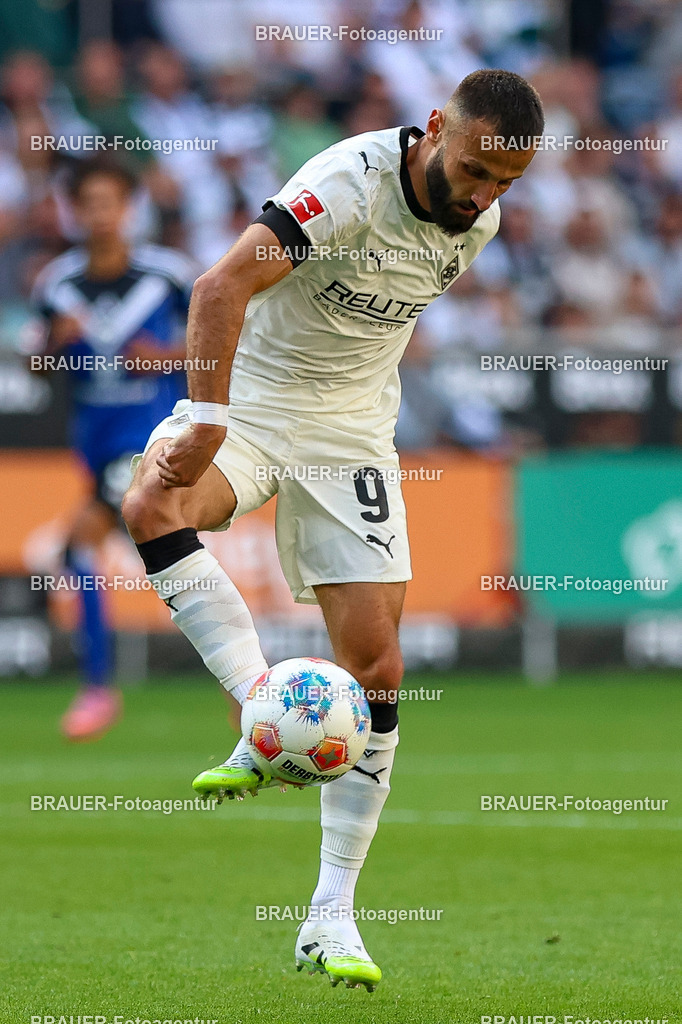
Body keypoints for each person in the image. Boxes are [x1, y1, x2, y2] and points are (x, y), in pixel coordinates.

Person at [122, 69, 543, 990]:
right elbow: (220, 284)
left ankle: (330, 916)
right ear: (435, 128)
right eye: (474, 169)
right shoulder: (348, 184)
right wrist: (206, 421)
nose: (484, 194)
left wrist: (486, 199)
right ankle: (256, 714)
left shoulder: (483, 224)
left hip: (351, 433)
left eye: (505, 182)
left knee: (380, 668)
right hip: (258, 407)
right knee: (152, 502)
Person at [33, 158, 195, 740]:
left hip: (151, 440)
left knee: (80, 543)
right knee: (179, 560)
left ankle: (97, 689)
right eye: (88, 203)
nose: (100, 214)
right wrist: (55, 348)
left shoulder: (170, 277)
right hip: (94, 443)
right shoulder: (57, 283)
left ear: (129, 207)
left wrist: (168, 359)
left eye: (111, 201)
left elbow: (218, 350)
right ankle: (248, 687)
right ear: (74, 211)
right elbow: (41, 365)